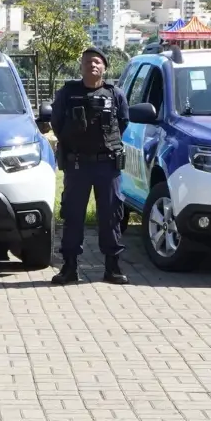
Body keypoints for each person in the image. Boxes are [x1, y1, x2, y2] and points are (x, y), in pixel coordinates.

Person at [50, 47, 129, 285]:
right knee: (73, 216)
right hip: (77, 166)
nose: (92, 66)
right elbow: (56, 124)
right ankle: (69, 267)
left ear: (104, 67)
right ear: (81, 66)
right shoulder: (67, 93)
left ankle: (112, 268)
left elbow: (122, 123)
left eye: (97, 62)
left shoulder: (115, 94)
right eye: (87, 62)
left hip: (107, 165)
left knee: (111, 215)